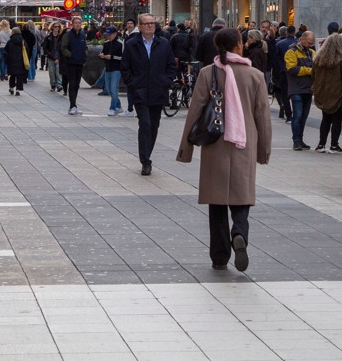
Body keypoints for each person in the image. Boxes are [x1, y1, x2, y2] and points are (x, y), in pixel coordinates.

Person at [178, 28, 272, 271]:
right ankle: (239, 232)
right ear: (239, 45)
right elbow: (263, 116)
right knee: (241, 196)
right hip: (244, 142)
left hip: (214, 143)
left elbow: (195, 111)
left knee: (216, 201)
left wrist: (185, 150)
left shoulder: (208, 73)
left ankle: (219, 256)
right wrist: (263, 151)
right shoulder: (255, 75)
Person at [122, 14, 178, 174]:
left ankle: (147, 154)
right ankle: (145, 160)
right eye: (146, 24)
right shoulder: (132, 44)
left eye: (152, 23)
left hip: (157, 91)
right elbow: (125, 68)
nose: (150, 26)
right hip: (139, 91)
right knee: (145, 123)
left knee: (154, 125)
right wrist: (132, 85)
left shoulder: (163, 43)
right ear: (139, 26)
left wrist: (166, 81)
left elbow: (171, 66)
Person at [312, 31, 342, 153]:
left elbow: (313, 74)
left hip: (323, 93)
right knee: (337, 119)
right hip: (338, 92)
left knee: (325, 118)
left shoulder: (318, 59)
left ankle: (321, 144)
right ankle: (334, 145)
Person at [284, 30, 316, 150]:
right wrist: (310, 70)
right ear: (302, 39)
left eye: (312, 43)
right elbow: (292, 69)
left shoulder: (312, 53)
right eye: (308, 42)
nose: (310, 45)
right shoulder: (291, 52)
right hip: (296, 89)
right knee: (297, 115)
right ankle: (296, 140)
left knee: (304, 116)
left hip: (308, 89)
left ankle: (300, 139)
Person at [59, 15, 88, 115]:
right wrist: (70, 55)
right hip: (71, 63)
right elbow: (63, 48)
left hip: (80, 63)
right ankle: (72, 106)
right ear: (72, 24)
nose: (77, 25)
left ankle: (74, 105)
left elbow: (85, 47)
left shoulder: (82, 34)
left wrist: (84, 57)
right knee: (72, 84)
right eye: (76, 23)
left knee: (77, 84)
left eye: (79, 23)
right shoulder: (68, 35)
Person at [100, 26, 125, 116]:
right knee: (110, 90)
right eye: (107, 35)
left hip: (116, 69)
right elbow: (102, 53)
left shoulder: (120, 44)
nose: (108, 37)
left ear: (115, 34)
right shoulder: (106, 44)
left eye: (110, 35)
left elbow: (123, 58)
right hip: (108, 68)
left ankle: (112, 108)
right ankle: (118, 105)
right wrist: (102, 55)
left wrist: (112, 57)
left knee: (113, 89)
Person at [5, 23, 29, 95]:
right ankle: (18, 90)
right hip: (20, 60)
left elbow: (6, 50)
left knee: (12, 75)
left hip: (11, 60)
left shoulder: (10, 41)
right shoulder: (22, 41)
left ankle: (11, 88)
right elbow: (27, 50)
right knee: (19, 75)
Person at [45, 22, 64, 92]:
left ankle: (59, 84)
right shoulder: (48, 37)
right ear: (52, 27)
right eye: (55, 26)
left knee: (58, 71)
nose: (57, 28)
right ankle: (53, 85)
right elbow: (45, 47)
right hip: (51, 57)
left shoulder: (61, 37)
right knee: (52, 72)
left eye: (58, 27)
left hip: (58, 57)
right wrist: (49, 54)